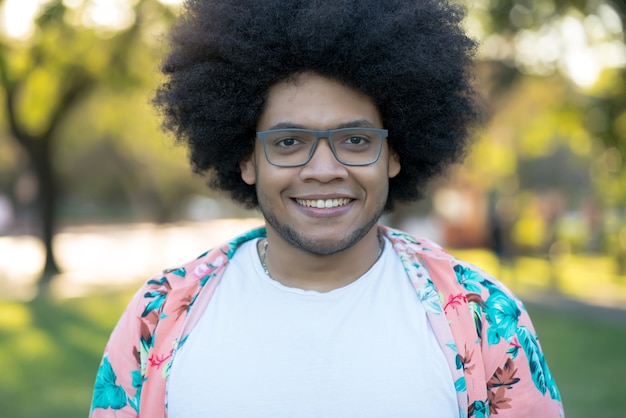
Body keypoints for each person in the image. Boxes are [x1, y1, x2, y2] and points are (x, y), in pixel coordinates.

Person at [90, 0, 564, 417]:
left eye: (355, 140)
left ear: (394, 154)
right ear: (246, 159)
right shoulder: (157, 315)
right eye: (289, 141)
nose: (323, 169)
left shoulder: (486, 318)